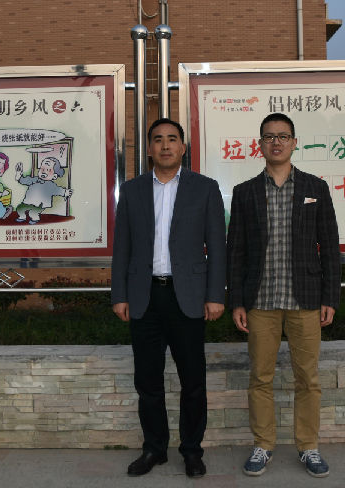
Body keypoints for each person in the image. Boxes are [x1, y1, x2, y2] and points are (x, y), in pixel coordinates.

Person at [226, 112, 341, 478]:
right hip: (260, 303)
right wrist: (237, 301)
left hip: (305, 300)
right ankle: (263, 445)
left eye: (283, 136)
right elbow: (236, 251)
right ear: (260, 144)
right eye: (269, 136)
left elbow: (330, 246)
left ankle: (309, 447)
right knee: (260, 378)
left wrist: (330, 297)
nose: (276, 142)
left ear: (294, 142)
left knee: (308, 379)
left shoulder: (314, 187)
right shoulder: (245, 192)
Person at [111, 117, 226, 479]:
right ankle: (154, 449)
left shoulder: (204, 188)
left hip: (187, 296)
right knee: (148, 381)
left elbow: (217, 246)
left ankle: (191, 450)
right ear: (149, 149)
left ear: (182, 147)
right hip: (144, 297)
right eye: (158, 139)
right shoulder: (132, 191)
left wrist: (215, 295)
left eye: (172, 139)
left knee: (193, 381)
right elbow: (122, 247)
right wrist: (119, 294)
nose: (165, 145)